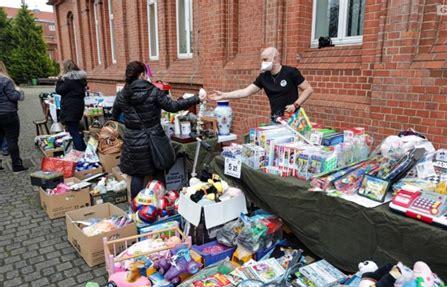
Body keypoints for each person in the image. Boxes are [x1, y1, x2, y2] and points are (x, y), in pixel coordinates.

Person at [112, 61, 205, 200]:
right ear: (142, 74)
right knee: (158, 170)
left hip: (133, 140)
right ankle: (160, 205)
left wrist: (131, 124)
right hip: (154, 139)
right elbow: (173, 106)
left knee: (137, 175)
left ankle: (137, 208)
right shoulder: (154, 91)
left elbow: (115, 115)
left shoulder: (123, 94)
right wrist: (197, 98)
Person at [210, 47, 313, 123]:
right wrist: (224, 95)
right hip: (275, 119)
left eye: (265, 60)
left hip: (293, 119)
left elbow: (308, 89)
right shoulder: (263, 77)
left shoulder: (290, 72)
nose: (262, 63)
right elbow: (245, 92)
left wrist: (295, 105)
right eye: (262, 60)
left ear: (275, 58)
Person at [0, 61, 27, 172]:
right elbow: (14, 96)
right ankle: (16, 164)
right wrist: (19, 91)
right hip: (8, 113)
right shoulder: (6, 80)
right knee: (12, 140)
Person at [55, 60, 87, 151]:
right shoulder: (81, 79)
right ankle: (84, 149)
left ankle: (81, 153)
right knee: (76, 130)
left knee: (74, 132)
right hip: (78, 107)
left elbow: (58, 90)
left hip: (70, 108)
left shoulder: (67, 81)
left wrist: (60, 79)